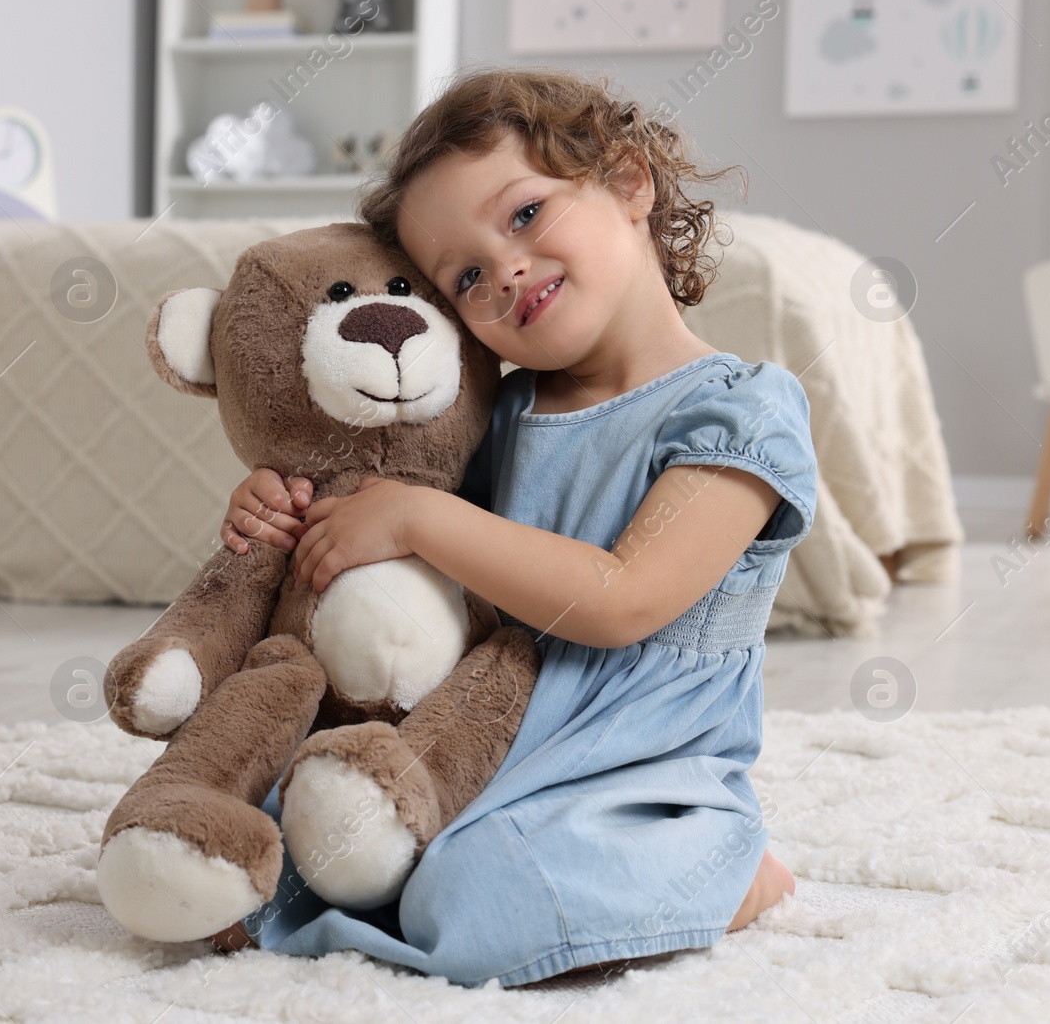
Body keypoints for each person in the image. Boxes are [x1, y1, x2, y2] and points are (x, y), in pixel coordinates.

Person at [210, 67, 817, 986]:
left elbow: (622, 599)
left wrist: (420, 516)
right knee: (296, 820)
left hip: (641, 778)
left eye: (525, 215)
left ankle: (726, 874)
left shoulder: (738, 412)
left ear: (627, 182)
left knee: (474, 897)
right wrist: (286, 506)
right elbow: (380, 496)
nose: (506, 271)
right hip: (486, 740)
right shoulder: (504, 410)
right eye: (465, 277)